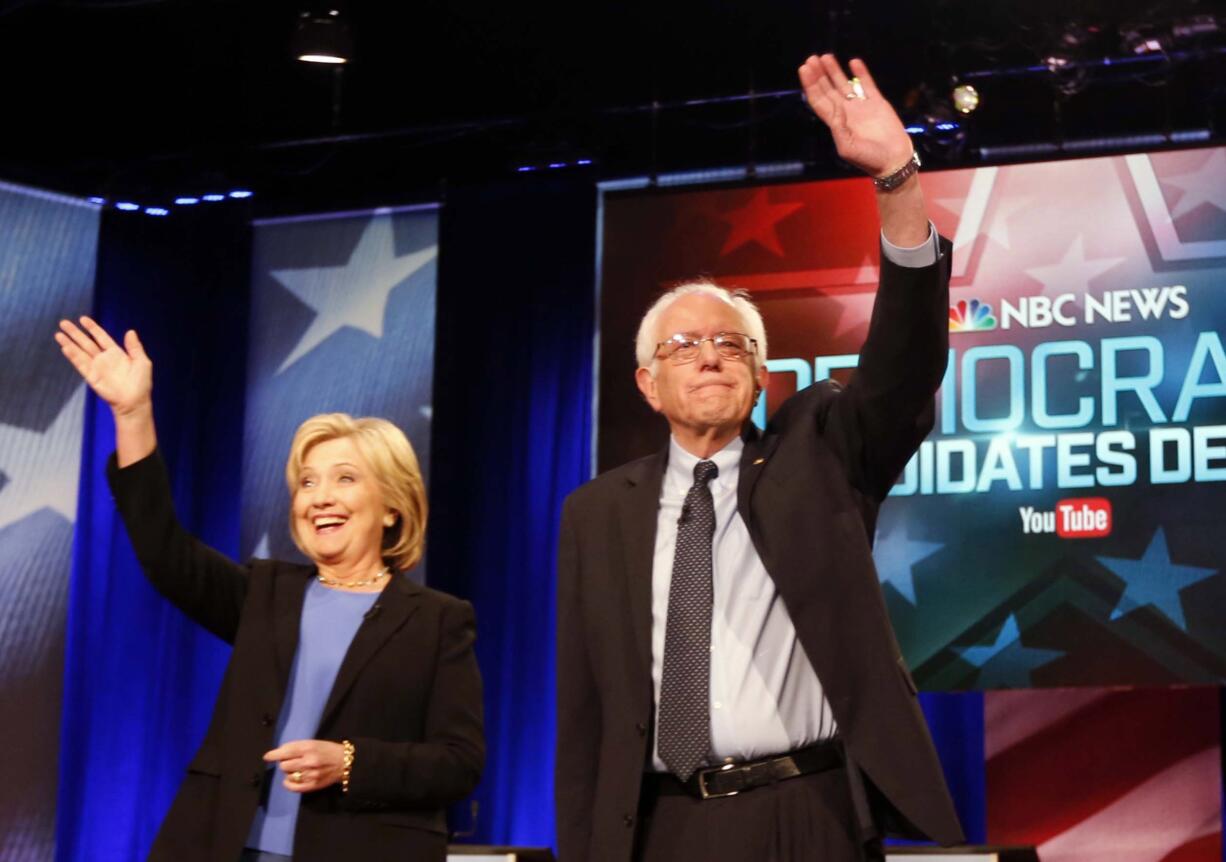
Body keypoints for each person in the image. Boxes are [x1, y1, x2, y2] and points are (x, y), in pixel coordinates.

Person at [555, 54, 964, 862]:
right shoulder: (596, 512)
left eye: (731, 344)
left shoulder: (820, 454)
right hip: (659, 826)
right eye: (684, 345)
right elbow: (584, 711)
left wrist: (897, 182)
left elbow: (904, 366)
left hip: (806, 814)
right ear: (647, 381)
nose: (709, 356)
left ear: (759, 376)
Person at [55, 317, 484, 862]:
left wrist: (351, 762)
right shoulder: (266, 593)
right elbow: (165, 551)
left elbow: (459, 762)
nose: (320, 497)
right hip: (224, 846)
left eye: (345, 479)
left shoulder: (437, 621)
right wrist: (132, 414)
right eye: (307, 482)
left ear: (393, 506)